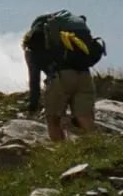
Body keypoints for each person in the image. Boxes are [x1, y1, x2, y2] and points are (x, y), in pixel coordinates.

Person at [23, 10, 104, 143]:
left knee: (53, 119)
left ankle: (61, 150)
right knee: (84, 117)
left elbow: (34, 79)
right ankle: (99, 147)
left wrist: (33, 105)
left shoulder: (32, 50)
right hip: (84, 75)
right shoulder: (70, 42)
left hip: (60, 78)